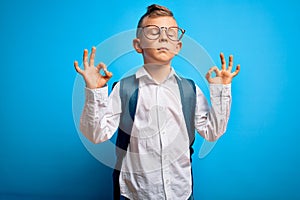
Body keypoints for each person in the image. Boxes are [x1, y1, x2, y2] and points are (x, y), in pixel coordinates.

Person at [74, 4, 240, 200]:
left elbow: (212, 132)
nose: (163, 37)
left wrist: (221, 92)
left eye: (171, 33)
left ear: (178, 46)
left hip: (181, 193)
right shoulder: (125, 88)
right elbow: (96, 134)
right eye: (153, 31)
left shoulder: (189, 90)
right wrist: (94, 91)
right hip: (135, 194)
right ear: (138, 45)